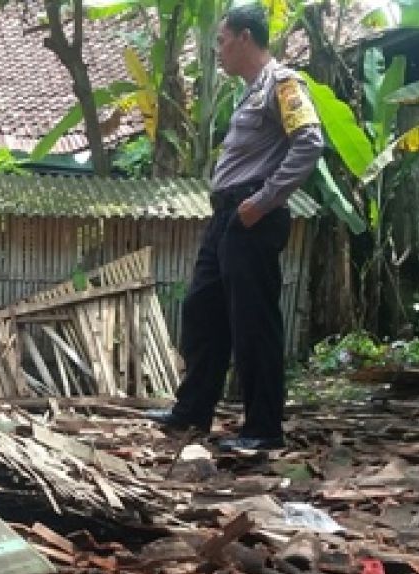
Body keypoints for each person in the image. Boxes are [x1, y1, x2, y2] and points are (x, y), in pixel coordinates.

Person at [145, 5, 323, 452]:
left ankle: (263, 429)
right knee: (203, 311)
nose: (218, 51)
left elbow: (310, 143)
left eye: (222, 41)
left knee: (253, 322)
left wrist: (262, 203)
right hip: (226, 216)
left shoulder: (283, 84)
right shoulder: (248, 93)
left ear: (245, 38)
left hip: (252, 218)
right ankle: (192, 412)